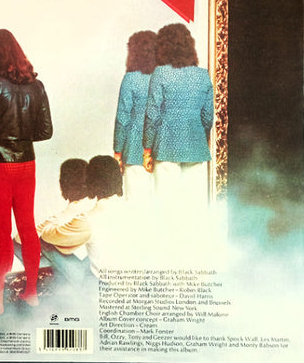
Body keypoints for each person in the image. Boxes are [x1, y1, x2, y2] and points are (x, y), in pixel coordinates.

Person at [0, 29, 53, 314]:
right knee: (27, 226)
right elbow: (45, 131)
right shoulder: (36, 85)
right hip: (27, 163)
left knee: (1, 233)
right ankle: (31, 293)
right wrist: (20, 135)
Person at [143, 23, 214, 210]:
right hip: (195, 147)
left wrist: (147, 149)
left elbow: (152, 115)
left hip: (165, 148)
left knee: (165, 208)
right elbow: (208, 117)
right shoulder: (203, 75)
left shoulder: (160, 73)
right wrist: (202, 137)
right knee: (193, 208)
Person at [37, 155, 131, 282]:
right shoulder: (132, 208)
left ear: (90, 184)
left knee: (44, 241)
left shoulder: (89, 219)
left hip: (103, 285)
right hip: (130, 281)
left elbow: (48, 235)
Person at [34, 158, 94, 286]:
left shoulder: (65, 214)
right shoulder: (95, 206)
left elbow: (22, 240)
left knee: (41, 242)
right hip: (97, 270)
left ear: (63, 184)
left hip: (81, 278)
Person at [113, 30, 157, 202]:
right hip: (162, 150)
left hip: (134, 150)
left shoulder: (130, 79)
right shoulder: (165, 78)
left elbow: (122, 119)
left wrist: (117, 152)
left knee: (135, 204)